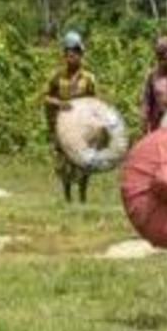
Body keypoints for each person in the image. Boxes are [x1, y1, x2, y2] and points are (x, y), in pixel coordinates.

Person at [45, 30, 98, 203]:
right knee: (64, 162)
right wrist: (59, 103)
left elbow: (95, 101)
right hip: (63, 126)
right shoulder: (57, 77)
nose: (72, 57)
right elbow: (46, 97)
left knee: (83, 162)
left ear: (81, 55)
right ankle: (67, 198)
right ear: (65, 55)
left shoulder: (88, 78)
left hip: (82, 126)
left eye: (76, 53)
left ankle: (83, 197)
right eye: (69, 54)